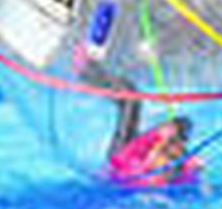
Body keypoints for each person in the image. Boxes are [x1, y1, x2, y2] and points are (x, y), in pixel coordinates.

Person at [77, 53, 200, 188]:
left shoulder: (136, 169)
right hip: (141, 154)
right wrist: (194, 167)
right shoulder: (180, 172)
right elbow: (187, 167)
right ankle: (90, 68)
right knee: (182, 125)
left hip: (122, 151)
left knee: (130, 96)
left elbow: (137, 147)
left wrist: (158, 134)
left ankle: (85, 71)